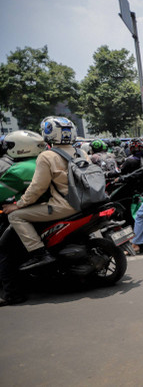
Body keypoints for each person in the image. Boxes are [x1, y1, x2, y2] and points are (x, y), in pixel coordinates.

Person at [2, 117, 87, 284]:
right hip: (87, 203)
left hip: (65, 206)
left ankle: (39, 253)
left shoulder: (47, 156)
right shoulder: (80, 152)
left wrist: (17, 205)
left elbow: (37, 188)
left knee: (15, 216)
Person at [0, 131, 46, 203]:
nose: (6, 148)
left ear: (21, 147)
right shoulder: (43, 160)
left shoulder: (20, 169)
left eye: (10, 145)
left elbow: (1, 193)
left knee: (11, 214)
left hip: (41, 206)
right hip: (49, 202)